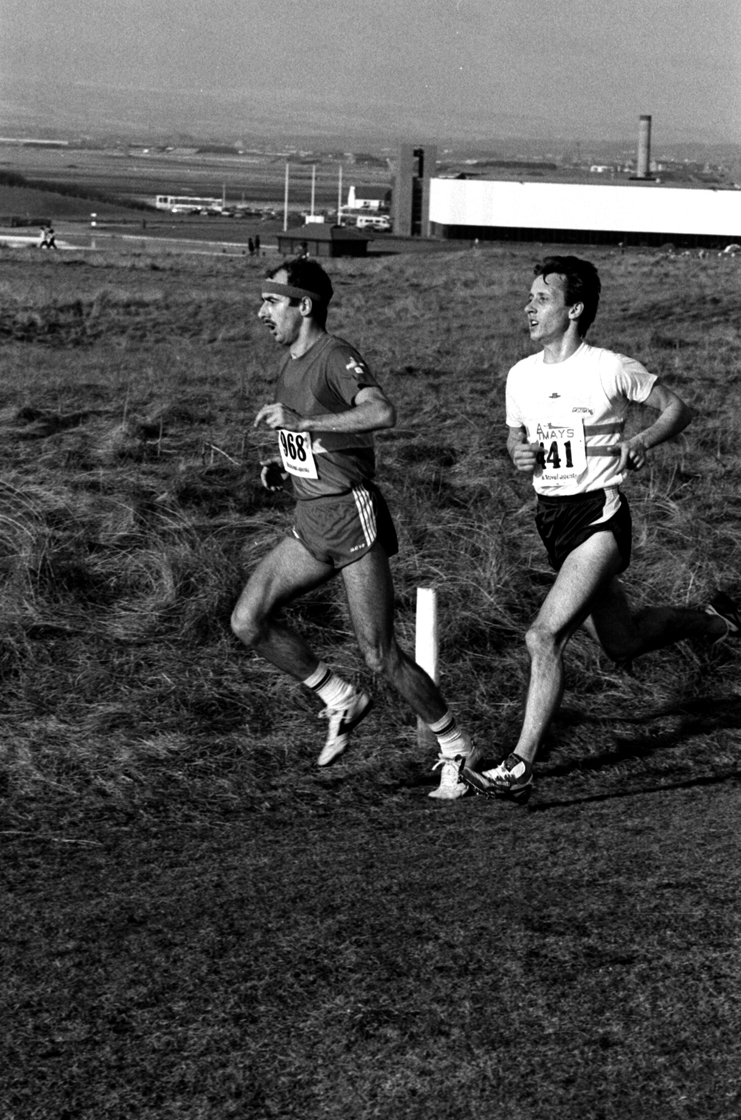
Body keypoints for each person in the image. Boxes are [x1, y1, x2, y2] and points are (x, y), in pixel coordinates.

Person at [462, 255, 739, 802]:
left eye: (542, 298)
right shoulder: (520, 375)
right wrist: (518, 454)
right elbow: (516, 439)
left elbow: (676, 409)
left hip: (600, 517)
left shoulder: (609, 367)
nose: (529, 306)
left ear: (575, 309)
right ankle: (712, 624)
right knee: (623, 641)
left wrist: (641, 441)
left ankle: (519, 765)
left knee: (543, 636)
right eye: (531, 297)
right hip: (552, 521)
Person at [231, 257, 479, 797]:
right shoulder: (292, 362)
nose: (260, 313)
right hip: (310, 520)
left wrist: (301, 424)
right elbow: (318, 439)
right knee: (248, 621)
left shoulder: (335, 355)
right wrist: (289, 463)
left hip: (351, 518)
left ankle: (456, 747)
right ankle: (338, 697)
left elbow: (381, 412)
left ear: (304, 305)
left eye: (271, 301)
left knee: (379, 654)